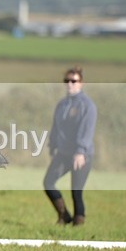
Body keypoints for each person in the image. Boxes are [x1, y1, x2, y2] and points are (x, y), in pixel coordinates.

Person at [44, 66, 97, 226]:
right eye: (67, 81)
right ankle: (64, 215)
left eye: (74, 81)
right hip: (63, 153)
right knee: (48, 182)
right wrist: (52, 144)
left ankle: (79, 222)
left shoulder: (87, 106)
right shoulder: (62, 105)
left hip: (81, 155)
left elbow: (86, 131)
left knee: (76, 191)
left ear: (81, 83)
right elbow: (56, 127)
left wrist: (80, 152)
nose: (70, 84)